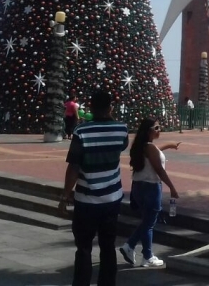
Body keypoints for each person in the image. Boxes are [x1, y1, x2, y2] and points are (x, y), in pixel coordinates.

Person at [58, 90, 129, 286]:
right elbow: (122, 146)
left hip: (86, 201)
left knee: (83, 248)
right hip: (112, 199)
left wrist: (65, 196)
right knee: (108, 246)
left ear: (90, 107)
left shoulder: (81, 132)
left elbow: (73, 166)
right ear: (110, 107)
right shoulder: (121, 130)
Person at [120, 118, 180, 269]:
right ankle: (147, 256)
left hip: (138, 187)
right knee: (149, 224)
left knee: (147, 221)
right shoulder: (149, 148)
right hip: (151, 187)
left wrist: (169, 145)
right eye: (157, 127)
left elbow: (154, 151)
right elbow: (159, 169)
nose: (160, 130)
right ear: (149, 131)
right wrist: (172, 188)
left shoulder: (141, 146)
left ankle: (130, 246)